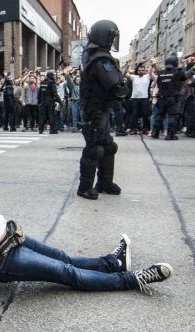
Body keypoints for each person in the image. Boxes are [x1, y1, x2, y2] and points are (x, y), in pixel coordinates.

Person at [0, 134, 174, 294]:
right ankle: (133, 280)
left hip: (10, 235)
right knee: (66, 273)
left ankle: (111, 263)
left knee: (63, 257)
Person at [76, 20, 129, 200]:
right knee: (94, 149)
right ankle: (85, 187)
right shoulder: (101, 59)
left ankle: (104, 182)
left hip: (100, 108)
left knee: (107, 147)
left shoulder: (91, 55)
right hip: (96, 109)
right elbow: (117, 87)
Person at [152, 55, 191, 140]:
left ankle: (155, 132)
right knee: (173, 116)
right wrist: (180, 66)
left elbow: (158, 83)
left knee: (160, 115)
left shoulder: (161, 73)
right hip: (173, 98)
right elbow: (184, 77)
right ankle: (170, 134)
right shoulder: (177, 72)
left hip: (162, 97)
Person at [125, 59, 157, 135]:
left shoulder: (147, 76)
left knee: (145, 114)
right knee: (134, 114)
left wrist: (154, 63)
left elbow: (155, 71)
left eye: (142, 70)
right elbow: (124, 74)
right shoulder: (134, 77)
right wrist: (128, 65)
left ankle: (145, 128)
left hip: (145, 98)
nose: (141, 71)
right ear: (137, 71)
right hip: (135, 98)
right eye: (139, 70)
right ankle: (134, 129)